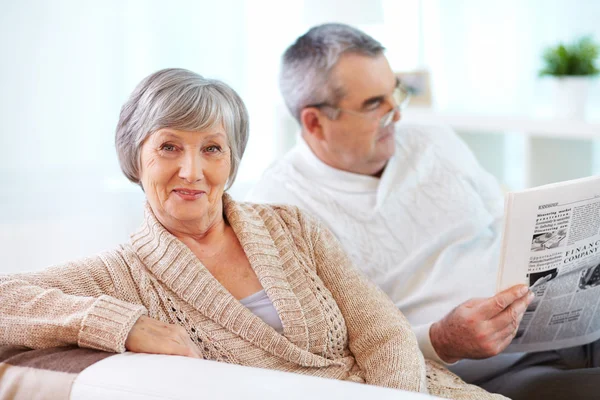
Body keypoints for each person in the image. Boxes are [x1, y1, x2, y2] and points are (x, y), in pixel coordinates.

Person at [0, 68, 502, 398]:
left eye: (212, 149)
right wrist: (126, 325)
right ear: (136, 157)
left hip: (416, 391)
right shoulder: (121, 274)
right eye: (170, 147)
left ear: (233, 159)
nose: (192, 171)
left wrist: (394, 399)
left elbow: (381, 329)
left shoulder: (291, 226)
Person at [246, 24, 600, 400]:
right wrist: (442, 341)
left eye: (395, 93)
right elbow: (330, 358)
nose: (396, 116)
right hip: (487, 375)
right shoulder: (277, 210)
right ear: (316, 122)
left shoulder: (433, 141)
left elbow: (506, 228)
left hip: (570, 330)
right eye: (373, 105)